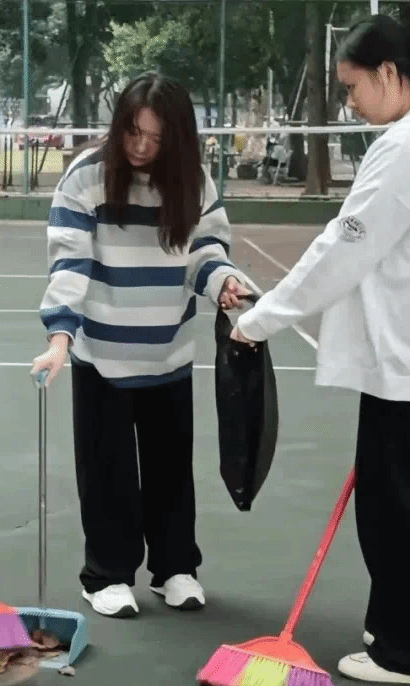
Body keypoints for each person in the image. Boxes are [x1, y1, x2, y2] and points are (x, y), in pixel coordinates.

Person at [231, 15, 410, 686]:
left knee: (396, 507)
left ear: (389, 73)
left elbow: (342, 249)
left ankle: (406, 652)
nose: (349, 103)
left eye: (352, 87)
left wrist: (261, 320)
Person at [29, 72, 253, 618]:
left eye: (155, 137)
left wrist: (224, 282)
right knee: (107, 473)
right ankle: (106, 575)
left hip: (169, 354)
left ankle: (175, 568)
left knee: (171, 472)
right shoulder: (85, 177)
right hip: (102, 357)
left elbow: (206, 253)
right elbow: (70, 263)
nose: (141, 147)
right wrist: (60, 338)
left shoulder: (192, 181)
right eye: (133, 132)